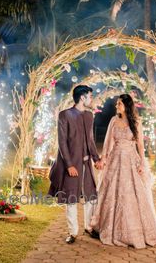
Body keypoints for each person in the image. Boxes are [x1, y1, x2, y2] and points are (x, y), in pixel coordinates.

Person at [90, 94, 156, 249]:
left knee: (133, 193)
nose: (117, 106)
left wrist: (142, 163)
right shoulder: (113, 120)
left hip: (131, 160)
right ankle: (109, 228)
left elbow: (141, 146)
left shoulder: (136, 122)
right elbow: (108, 142)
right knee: (112, 192)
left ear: (126, 105)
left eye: (119, 104)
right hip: (116, 159)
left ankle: (134, 231)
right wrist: (103, 159)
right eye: (117, 103)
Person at [48, 85, 103, 244]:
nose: (91, 99)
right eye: (90, 96)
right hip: (71, 165)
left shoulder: (89, 115)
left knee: (91, 197)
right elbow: (62, 142)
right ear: (82, 97)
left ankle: (89, 227)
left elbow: (91, 141)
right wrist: (69, 165)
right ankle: (72, 233)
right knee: (71, 199)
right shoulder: (65, 115)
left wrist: (96, 159)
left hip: (87, 165)